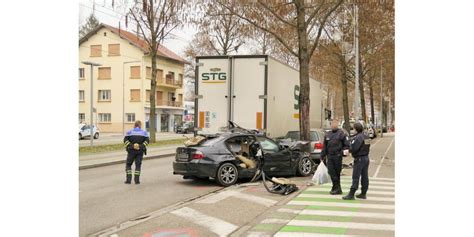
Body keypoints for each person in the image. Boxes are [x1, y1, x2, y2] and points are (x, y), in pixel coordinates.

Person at [321, 119, 350, 195]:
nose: (334, 125)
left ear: (337, 125)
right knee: (331, 172)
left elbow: (346, 145)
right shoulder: (327, 134)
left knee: (337, 173)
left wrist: (343, 152)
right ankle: (336, 187)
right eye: (332, 124)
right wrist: (322, 155)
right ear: (331, 125)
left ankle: (336, 188)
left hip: (337, 156)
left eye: (335, 124)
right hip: (330, 156)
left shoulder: (341, 134)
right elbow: (325, 146)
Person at [343, 122, 371, 200]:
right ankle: (363, 193)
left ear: (356, 129)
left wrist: (349, 149)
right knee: (365, 176)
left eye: (354, 128)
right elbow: (367, 146)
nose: (353, 130)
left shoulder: (358, 137)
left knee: (355, 176)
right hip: (366, 158)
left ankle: (351, 194)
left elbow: (354, 148)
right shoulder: (366, 136)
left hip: (359, 159)